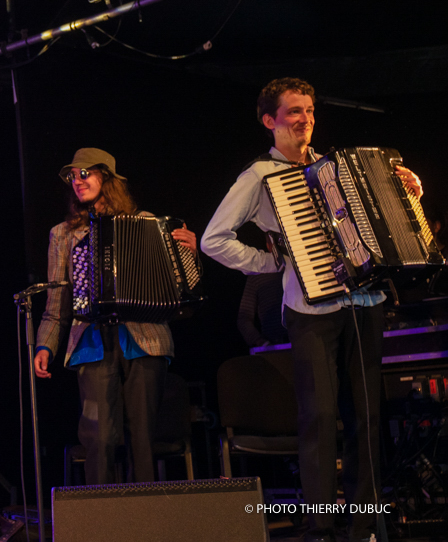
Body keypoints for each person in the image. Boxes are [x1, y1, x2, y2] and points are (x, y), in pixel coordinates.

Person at [201, 77, 424, 542]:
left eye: (309, 110)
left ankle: (363, 527)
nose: (305, 119)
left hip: (364, 300)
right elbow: (214, 239)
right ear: (270, 120)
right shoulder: (259, 176)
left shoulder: (337, 168)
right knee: (319, 419)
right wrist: (269, 262)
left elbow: (378, 219)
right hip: (309, 308)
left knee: (365, 418)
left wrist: (406, 193)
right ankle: (320, 527)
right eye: (293, 111)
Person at [33, 148, 197, 484]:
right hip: (91, 340)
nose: (77, 181)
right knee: (99, 439)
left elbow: (182, 286)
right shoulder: (62, 234)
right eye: (73, 177)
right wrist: (45, 344)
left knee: (143, 439)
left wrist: (190, 254)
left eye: (85, 173)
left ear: (106, 178)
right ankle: (101, 513)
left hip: (144, 337)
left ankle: (146, 513)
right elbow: (57, 299)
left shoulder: (148, 223)